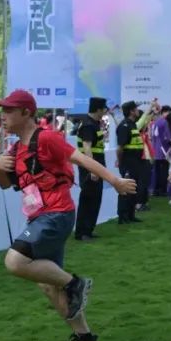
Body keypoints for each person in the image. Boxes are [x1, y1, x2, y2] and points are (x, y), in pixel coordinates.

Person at [0, 89, 135, 341]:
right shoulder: (15, 149)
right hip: (38, 217)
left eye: (9, 110)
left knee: (14, 261)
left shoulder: (46, 138)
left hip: (56, 213)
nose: (3, 115)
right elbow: (4, 185)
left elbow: (81, 158)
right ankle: (85, 338)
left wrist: (115, 181)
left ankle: (75, 283)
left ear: (26, 113)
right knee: (48, 285)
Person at [74, 97, 109, 241]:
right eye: (104, 108)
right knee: (88, 199)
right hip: (90, 169)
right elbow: (87, 148)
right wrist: (92, 169)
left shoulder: (94, 123)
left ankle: (88, 230)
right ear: (98, 109)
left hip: (95, 167)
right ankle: (82, 232)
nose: (105, 111)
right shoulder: (88, 125)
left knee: (95, 199)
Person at [115, 101, 152, 224]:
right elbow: (120, 148)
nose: (137, 111)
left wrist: (151, 109)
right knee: (125, 189)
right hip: (128, 162)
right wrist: (120, 163)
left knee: (133, 189)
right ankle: (123, 216)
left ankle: (131, 215)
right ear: (131, 111)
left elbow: (144, 120)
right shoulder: (124, 126)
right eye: (136, 109)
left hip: (136, 162)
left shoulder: (132, 125)